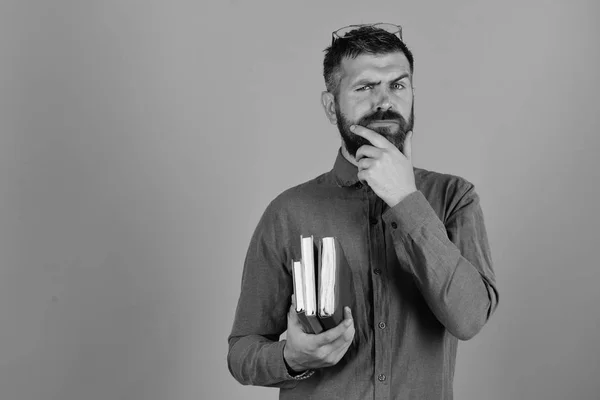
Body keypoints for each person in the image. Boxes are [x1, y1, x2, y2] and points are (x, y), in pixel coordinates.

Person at [227, 23, 499, 400]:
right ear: (330, 104)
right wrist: (291, 357)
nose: (385, 101)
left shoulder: (454, 197)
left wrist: (406, 201)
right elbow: (241, 351)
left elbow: (469, 319)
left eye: (398, 85)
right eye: (365, 87)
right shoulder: (288, 212)